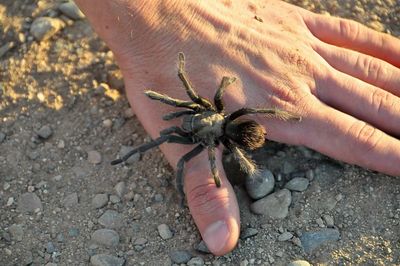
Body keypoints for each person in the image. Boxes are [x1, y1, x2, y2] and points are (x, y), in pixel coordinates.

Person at [74, 0, 400, 255]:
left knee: (200, 140)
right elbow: (199, 100)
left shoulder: (206, 121)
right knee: (204, 127)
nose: (187, 119)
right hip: (224, 126)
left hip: (229, 131)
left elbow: (199, 104)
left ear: (208, 109)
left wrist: (216, 174)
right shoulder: (208, 111)